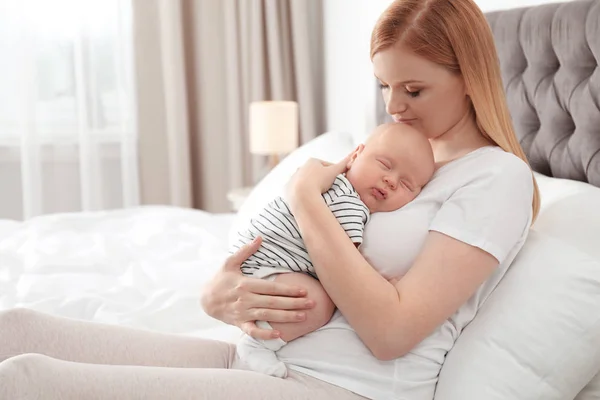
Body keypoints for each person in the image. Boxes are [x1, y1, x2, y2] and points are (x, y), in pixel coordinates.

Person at [0, 0, 540, 399]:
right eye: (383, 85)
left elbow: (390, 332)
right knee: (15, 329)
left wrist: (305, 197)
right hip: (263, 357)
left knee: (24, 381)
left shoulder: (496, 178)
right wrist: (221, 295)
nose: (393, 106)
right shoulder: (387, 155)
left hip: (342, 386)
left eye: (413, 89)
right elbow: (299, 255)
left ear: (469, 77)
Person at [234, 123, 435, 378]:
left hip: (260, 261)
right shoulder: (347, 202)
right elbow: (347, 267)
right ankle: (257, 343)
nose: (391, 181)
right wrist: (384, 284)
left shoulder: (332, 187)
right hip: (268, 261)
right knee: (314, 303)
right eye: (384, 164)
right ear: (355, 155)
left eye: (407, 185)